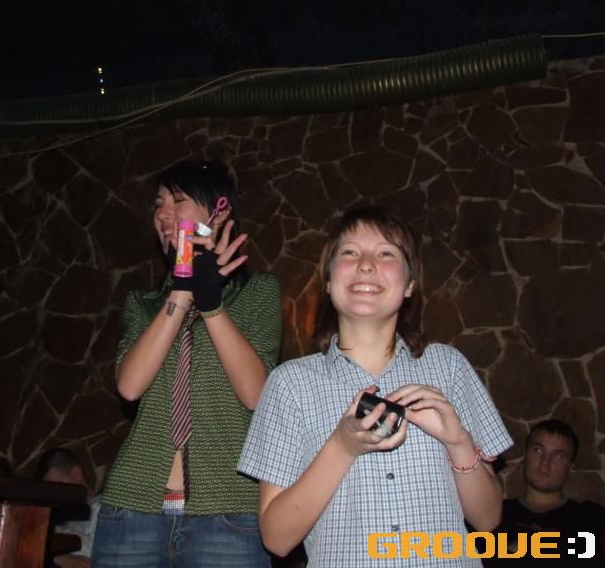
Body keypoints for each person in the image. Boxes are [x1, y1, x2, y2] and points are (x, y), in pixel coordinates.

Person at [238, 206, 513, 567]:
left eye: (386, 254)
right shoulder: (289, 383)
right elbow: (276, 538)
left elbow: (488, 519)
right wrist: (342, 446)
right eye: (350, 252)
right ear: (328, 280)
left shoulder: (448, 367)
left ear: (410, 284)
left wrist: (458, 442)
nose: (366, 264)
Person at [92, 159, 282, 568]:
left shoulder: (258, 292)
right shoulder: (143, 304)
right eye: (158, 205)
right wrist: (181, 289)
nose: (163, 214)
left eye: (177, 201)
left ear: (220, 213)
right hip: (132, 507)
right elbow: (129, 386)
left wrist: (211, 304)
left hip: (227, 511)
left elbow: (256, 395)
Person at [481, 419, 605, 567]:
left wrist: (520, 548)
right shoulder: (492, 514)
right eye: (537, 450)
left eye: (558, 456)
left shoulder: (589, 517)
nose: (545, 462)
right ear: (526, 455)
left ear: (570, 466)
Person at [36, 448, 100, 568]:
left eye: (57, 486)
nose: (53, 495)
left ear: (76, 473)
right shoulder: (57, 513)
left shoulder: (107, 509)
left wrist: (56, 558)